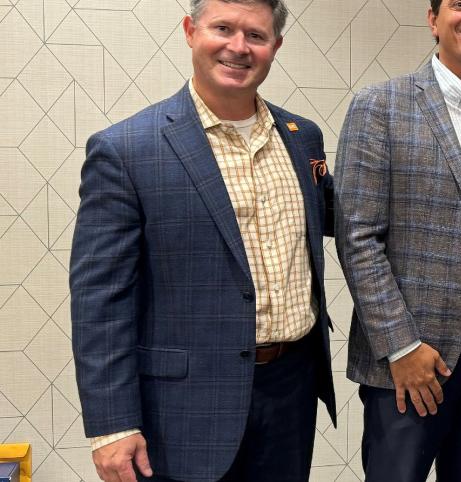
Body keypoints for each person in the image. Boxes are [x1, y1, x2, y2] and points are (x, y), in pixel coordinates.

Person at [70, 0, 337, 480]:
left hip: (291, 388)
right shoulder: (127, 150)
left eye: (255, 35)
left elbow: (343, 216)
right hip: (183, 408)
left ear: (276, 46)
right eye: (223, 28)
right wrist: (112, 425)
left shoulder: (302, 138)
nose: (238, 47)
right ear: (191, 31)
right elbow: (100, 300)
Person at [333, 0, 461, 480]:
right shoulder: (380, 105)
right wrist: (400, 346)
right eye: (460, 3)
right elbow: (357, 237)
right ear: (433, 19)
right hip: (412, 357)